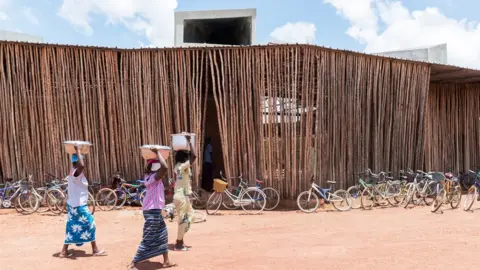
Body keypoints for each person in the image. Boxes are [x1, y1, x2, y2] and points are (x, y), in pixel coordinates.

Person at [129, 148, 176, 269]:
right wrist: (158, 153)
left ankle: (166, 261)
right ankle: (134, 261)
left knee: (162, 234)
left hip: (152, 209)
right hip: (152, 210)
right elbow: (165, 168)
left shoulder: (148, 176)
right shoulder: (155, 176)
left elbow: (162, 168)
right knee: (149, 236)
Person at [60, 145, 106, 258]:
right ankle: (95, 250)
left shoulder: (73, 172)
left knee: (71, 226)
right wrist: (78, 150)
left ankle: (63, 251)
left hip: (72, 205)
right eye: (81, 159)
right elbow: (82, 165)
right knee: (90, 223)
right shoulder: (76, 172)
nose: (83, 161)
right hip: (79, 206)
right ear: (77, 162)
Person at [173, 135, 196, 251]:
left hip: (181, 195)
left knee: (190, 216)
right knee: (183, 220)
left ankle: (180, 240)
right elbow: (194, 156)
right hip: (182, 196)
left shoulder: (178, 166)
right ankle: (178, 244)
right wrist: (190, 142)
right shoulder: (183, 166)